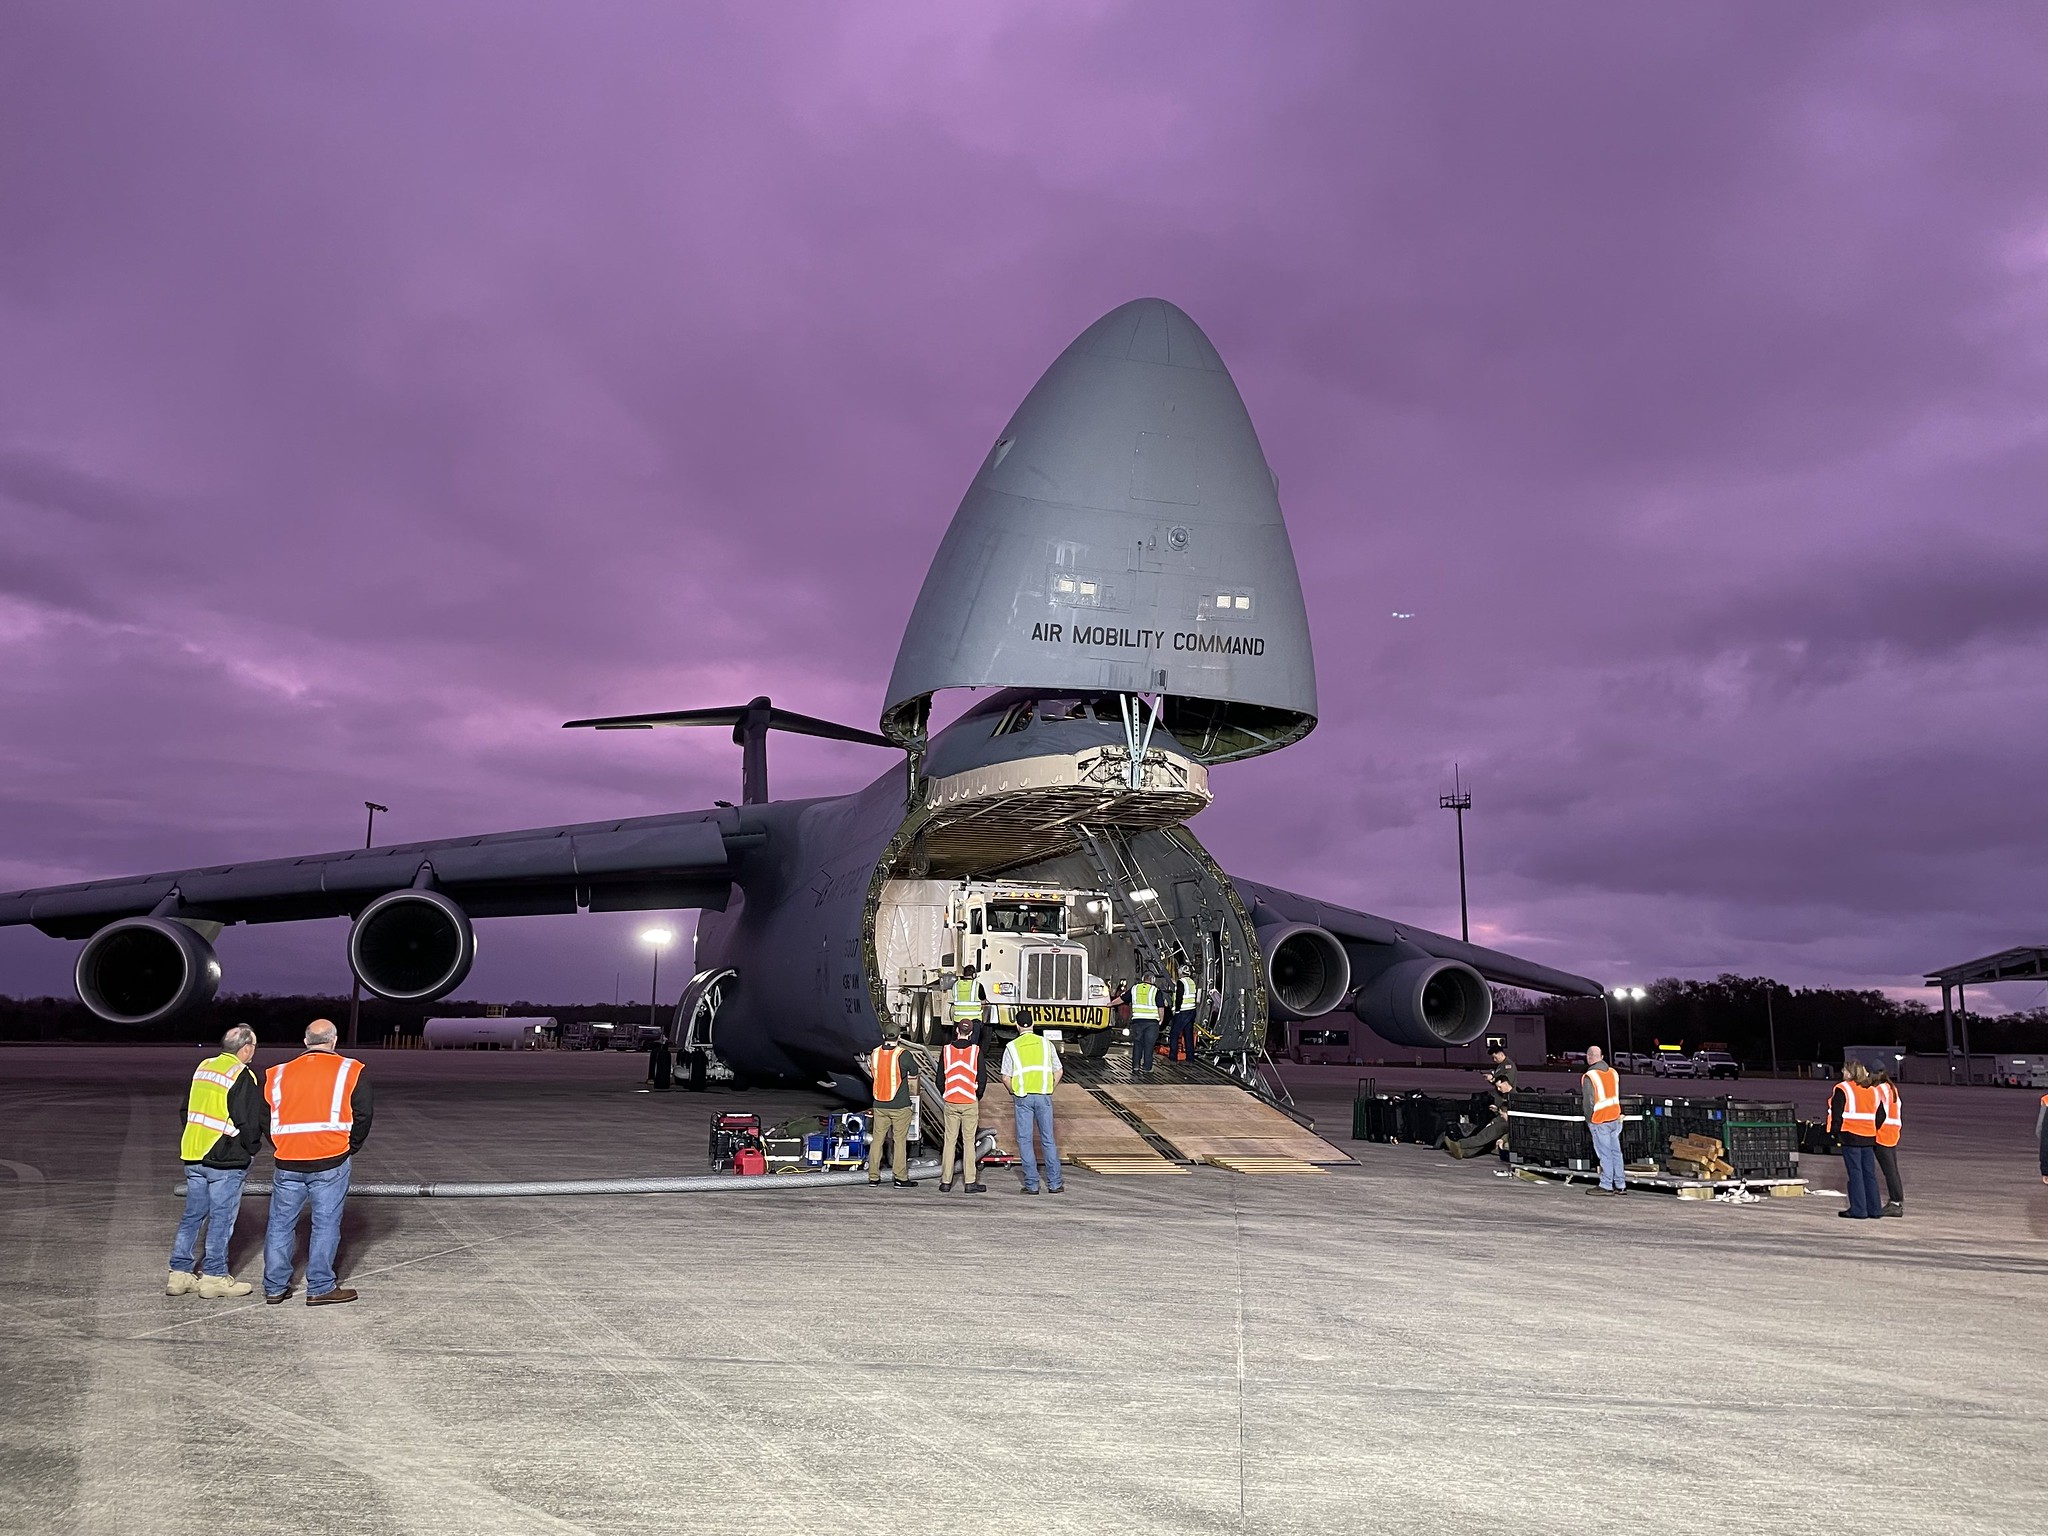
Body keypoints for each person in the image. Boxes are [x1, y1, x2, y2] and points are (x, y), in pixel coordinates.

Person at [263, 1019, 372, 1305]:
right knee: (325, 1224)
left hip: (287, 1159)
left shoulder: (277, 1073)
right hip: (330, 1159)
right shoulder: (351, 1069)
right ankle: (320, 1287)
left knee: (280, 1224)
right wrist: (351, 1146)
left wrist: (281, 1143)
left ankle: (275, 1287)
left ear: (306, 1041)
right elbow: (363, 1114)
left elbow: (266, 1116)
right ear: (333, 1041)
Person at [168, 1024, 267, 1299]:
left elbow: (185, 1109)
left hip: (193, 1152)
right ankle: (214, 1276)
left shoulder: (204, 1066)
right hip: (224, 1158)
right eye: (254, 1047)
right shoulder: (242, 1074)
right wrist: (251, 1147)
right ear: (245, 1048)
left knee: (193, 1216)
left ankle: (179, 1274)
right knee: (222, 1219)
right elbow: (247, 1120)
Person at [1001, 1008, 1063, 1194]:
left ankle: (1032, 1184)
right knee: (1048, 1140)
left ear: (1017, 1026)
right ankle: (1054, 1184)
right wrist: (1049, 1087)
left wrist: (1015, 1091)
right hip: (1044, 1096)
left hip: (1023, 1098)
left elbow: (1005, 1076)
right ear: (1033, 1024)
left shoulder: (1012, 1047)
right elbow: (1058, 1070)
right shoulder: (1046, 1044)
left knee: (1025, 1141)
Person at [865, 1026, 919, 1188]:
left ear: (883, 1035)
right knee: (899, 1141)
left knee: (877, 1141)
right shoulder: (903, 1054)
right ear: (899, 1037)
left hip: (879, 1104)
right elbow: (914, 1072)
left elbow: (873, 1073)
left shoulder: (874, 1053)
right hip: (900, 1105)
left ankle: (873, 1177)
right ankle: (900, 1178)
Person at [1441, 1044, 1516, 1160]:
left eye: (1495, 1057)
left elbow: (1505, 1081)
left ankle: (1460, 1144)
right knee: (1487, 1135)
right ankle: (1464, 1152)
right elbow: (1501, 1083)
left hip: (1506, 1117)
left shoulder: (1508, 1067)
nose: (1494, 1060)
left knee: (1488, 1133)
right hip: (1502, 1112)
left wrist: (1493, 1079)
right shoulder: (1501, 1068)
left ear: (1501, 1054)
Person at [938, 1017, 987, 1193]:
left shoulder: (946, 1051)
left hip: (951, 1101)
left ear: (957, 1031)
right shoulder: (976, 1051)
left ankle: (945, 1182)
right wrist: (976, 1095)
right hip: (969, 1101)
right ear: (972, 1033)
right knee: (968, 1142)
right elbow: (982, 1078)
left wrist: (946, 1093)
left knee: (949, 1142)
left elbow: (939, 1080)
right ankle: (970, 1182)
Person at [1829, 1062, 1883, 1219]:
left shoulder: (1843, 1088)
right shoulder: (1873, 1091)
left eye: (1844, 1069)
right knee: (1869, 1174)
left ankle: (1859, 1209)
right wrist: (1872, 1128)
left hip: (1850, 1136)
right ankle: (1875, 1209)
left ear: (1850, 1072)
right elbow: (1881, 1115)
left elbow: (1836, 1113)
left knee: (1855, 1173)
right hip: (1869, 1136)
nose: (1842, 1071)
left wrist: (1834, 1133)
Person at [1581, 1045, 1625, 1194]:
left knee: (1604, 1154)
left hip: (1600, 1120)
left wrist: (1589, 1120)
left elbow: (1588, 1102)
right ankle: (1620, 1184)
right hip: (1615, 1118)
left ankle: (1606, 1184)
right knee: (1615, 1153)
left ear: (1589, 1057)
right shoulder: (1613, 1073)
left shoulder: (1590, 1076)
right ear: (1602, 1057)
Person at [1870, 1064, 1904, 1217]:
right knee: (1893, 1170)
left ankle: (1896, 1203)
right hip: (1893, 1131)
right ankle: (1897, 1201)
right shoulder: (1891, 1088)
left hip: (1882, 1133)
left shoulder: (1877, 1090)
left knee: (1889, 1171)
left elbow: (1878, 1112)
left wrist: (1871, 1130)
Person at [1123, 973, 1163, 1077]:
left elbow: (1123, 998)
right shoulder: (1155, 990)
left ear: (1142, 979)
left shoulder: (1135, 988)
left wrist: (1110, 1004)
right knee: (1149, 1046)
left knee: (1137, 1044)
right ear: (1153, 980)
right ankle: (1147, 1068)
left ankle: (1135, 1067)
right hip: (1152, 1023)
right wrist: (1161, 1019)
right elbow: (1160, 1007)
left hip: (1137, 1021)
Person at [1167, 965, 1199, 1063]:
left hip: (1183, 1011)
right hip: (1191, 1011)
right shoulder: (1191, 982)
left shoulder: (1181, 982)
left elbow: (1179, 997)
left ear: (1181, 972)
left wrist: (1176, 1010)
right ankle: (1190, 1058)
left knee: (1174, 1034)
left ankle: (1173, 1058)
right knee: (1188, 1035)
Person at [950, 966, 990, 1033]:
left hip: (958, 1020)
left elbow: (954, 997)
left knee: (959, 1041)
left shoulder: (956, 985)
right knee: (973, 1043)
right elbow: (983, 1000)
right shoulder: (977, 985)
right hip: (974, 1020)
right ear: (974, 974)